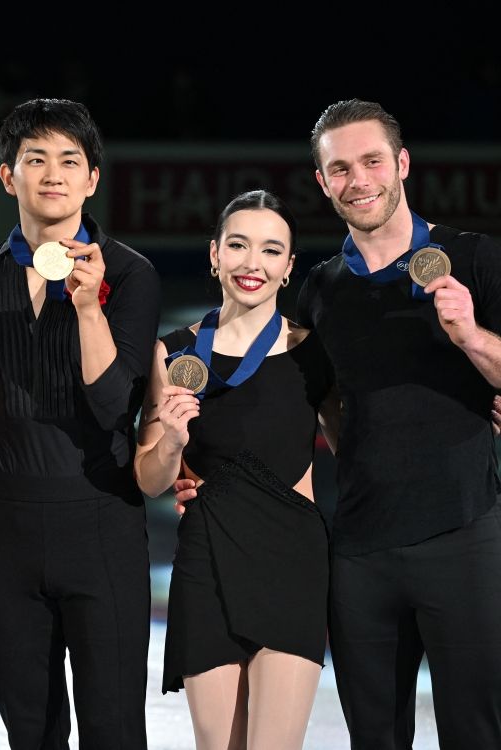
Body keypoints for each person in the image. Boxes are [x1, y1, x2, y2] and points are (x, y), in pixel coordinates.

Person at [0, 98, 160, 750]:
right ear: (8, 175)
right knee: (31, 732)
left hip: (102, 525)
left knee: (115, 728)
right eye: (34, 158)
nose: (53, 174)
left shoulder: (129, 274)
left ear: (92, 178)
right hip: (5, 535)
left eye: (70, 160)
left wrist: (89, 310)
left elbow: (109, 404)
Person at [301, 99, 501, 749]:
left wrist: (471, 336)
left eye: (371, 161)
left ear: (402, 164)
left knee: (475, 732)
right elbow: (312, 406)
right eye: (339, 169)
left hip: (465, 535)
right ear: (322, 181)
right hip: (360, 553)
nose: (358, 180)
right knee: (374, 739)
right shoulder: (320, 289)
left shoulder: (476, 260)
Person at [136, 190, 336, 750]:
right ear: (214, 254)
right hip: (207, 560)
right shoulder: (172, 355)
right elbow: (150, 479)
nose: (254, 263)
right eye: (239, 245)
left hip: (292, 562)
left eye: (272, 250)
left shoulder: (314, 354)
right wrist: (173, 442)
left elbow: (362, 449)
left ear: (289, 266)